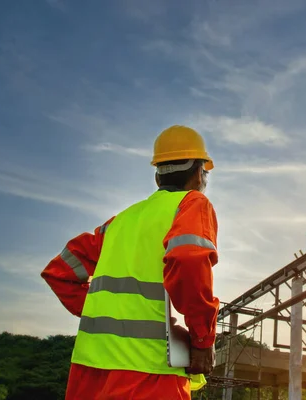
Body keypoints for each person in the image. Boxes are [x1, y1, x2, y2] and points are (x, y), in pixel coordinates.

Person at [41, 125, 220, 399]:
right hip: (147, 372)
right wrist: (202, 339)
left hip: (88, 372)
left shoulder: (120, 221)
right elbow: (187, 260)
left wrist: (109, 316)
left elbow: (59, 272)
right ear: (198, 173)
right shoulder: (192, 204)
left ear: (158, 175)